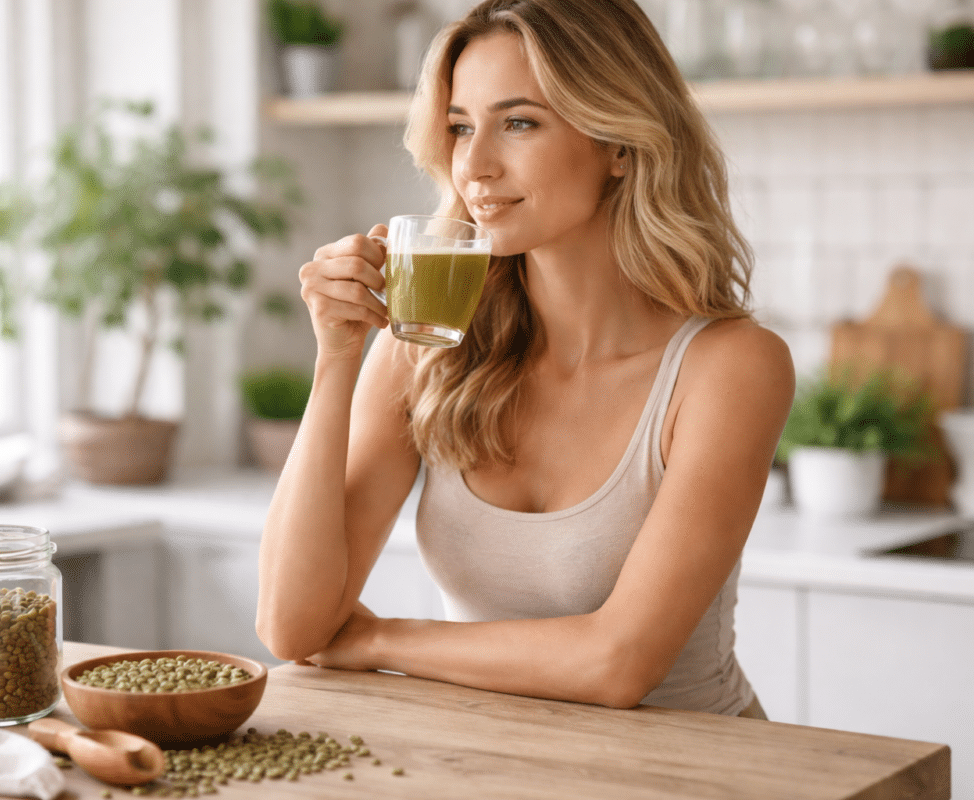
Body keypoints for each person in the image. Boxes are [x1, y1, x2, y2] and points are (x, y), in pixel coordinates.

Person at [255, 0, 794, 717]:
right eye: (458, 127)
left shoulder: (729, 367)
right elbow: (293, 626)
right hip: (505, 766)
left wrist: (379, 640)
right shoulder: (428, 350)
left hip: (696, 774)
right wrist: (336, 357)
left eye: (518, 123)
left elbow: (617, 663)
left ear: (620, 143)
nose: (473, 165)